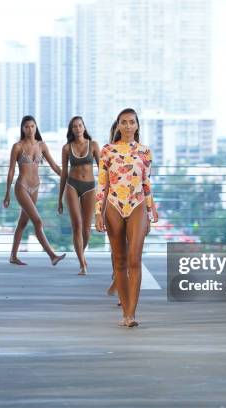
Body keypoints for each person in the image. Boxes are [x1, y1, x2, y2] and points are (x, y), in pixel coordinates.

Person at [95, 108, 158, 328]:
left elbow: (146, 183)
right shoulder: (107, 151)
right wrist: (97, 213)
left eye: (132, 122)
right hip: (113, 205)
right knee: (120, 259)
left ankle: (131, 313)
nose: (128, 126)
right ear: (118, 125)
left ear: (137, 125)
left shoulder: (145, 152)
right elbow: (102, 184)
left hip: (138, 204)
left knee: (134, 258)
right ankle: (125, 312)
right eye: (124, 122)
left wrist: (151, 210)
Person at [3, 115, 66, 266]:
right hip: (22, 187)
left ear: (36, 127)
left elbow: (54, 166)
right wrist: (7, 193)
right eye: (26, 127)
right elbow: (11, 170)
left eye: (32, 126)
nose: (30, 129)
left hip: (36, 188)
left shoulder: (42, 146)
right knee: (38, 221)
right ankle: (52, 255)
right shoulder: (17, 146)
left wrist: (67, 177)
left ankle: (13, 256)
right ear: (22, 129)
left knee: (22, 223)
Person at [58, 117, 101, 275]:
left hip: (90, 187)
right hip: (72, 186)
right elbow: (63, 173)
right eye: (74, 126)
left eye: (80, 125)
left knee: (87, 230)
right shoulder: (67, 148)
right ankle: (83, 264)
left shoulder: (94, 145)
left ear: (84, 127)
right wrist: (59, 199)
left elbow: (103, 171)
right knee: (76, 225)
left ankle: (80, 255)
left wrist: (105, 194)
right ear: (71, 129)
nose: (78, 128)